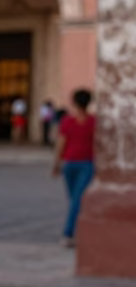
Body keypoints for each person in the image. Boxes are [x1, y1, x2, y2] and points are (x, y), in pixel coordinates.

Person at [53, 89, 96, 248]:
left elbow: (61, 144)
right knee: (75, 200)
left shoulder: (68, 121)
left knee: (76, 200)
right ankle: (78, 231)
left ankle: (68, 233)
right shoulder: (92, 121)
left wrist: (56, 164)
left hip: (72, 163)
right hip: (83, 163)